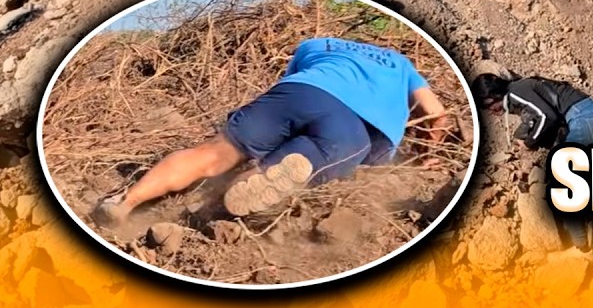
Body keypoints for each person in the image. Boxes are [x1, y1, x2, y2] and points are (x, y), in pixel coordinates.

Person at [93, 37, 452, 224]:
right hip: (357, 130)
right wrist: (427, 155)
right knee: (306, 161)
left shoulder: (316, 45)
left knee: (213, 154)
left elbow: (288, 84)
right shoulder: (401, 63)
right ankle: (266, 177)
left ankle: (125, 204)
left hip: (301, 92)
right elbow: (436, 114)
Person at [471, 72, 593, 253]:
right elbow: (539, 117)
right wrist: (523, 135)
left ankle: (581, 246)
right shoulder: (523, 89)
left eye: (486, 106)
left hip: (587, 121)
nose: (490, 112)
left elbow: (546, 117)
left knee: (562, 181)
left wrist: (528, 142)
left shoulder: (517, 91)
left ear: (492, 95)